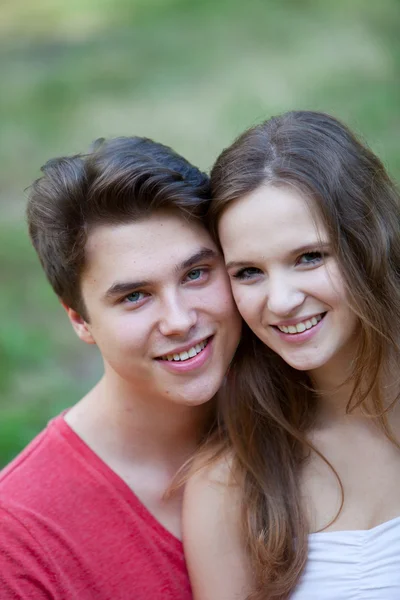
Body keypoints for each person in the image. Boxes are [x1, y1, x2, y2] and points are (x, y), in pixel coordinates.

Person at [0, 136, 241, 599]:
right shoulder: (21, 540)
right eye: (135, 296)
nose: (180, 320)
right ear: (79, 319)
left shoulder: (310, 412)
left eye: (195, 274)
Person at [183, 111, 400, 599]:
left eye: (309, 257)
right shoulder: (230, 482)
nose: (280, 301)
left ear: (372, 244)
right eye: (248, 272)